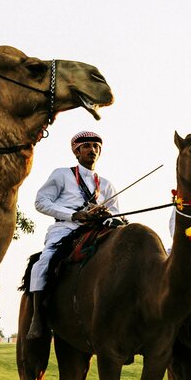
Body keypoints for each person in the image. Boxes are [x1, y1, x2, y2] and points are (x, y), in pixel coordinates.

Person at [26, 130, 121, 337]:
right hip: (65, 228)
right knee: (45, 260)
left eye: (96, 147)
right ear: (76, 152)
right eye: (86, 146)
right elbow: (41, 202)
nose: (92, 150)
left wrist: (105, 215)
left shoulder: (106, 184)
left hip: (98, 230)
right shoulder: (62, 174)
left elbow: (116, 214)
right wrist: (74, 215)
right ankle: (37, 317)